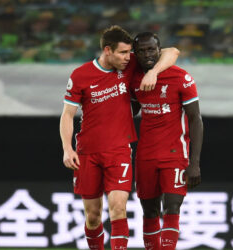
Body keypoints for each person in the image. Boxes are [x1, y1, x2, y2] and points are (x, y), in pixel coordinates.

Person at [59, 25, 179, 250]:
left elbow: (172, 51)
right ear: (107, 50)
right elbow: (67, 114)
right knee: (93, 216)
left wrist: (153, 72)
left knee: (118, 208)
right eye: (123, 53)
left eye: (128, 53)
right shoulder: (80, 75)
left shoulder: (129, 64)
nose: (128, 57)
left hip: (119, 150)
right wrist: (67, 148)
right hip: (88, 152)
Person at [130, 32, 203, 250]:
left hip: (174, 152)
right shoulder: (133, 77)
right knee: (149, 211)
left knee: (172, 207)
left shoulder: (181, 77)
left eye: (151, 49)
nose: (147, 54)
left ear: (159, 50)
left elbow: (195, 119)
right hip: (145, 154)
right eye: (141, 51)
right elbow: (131, 110)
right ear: (136, 54)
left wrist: (194, 162)